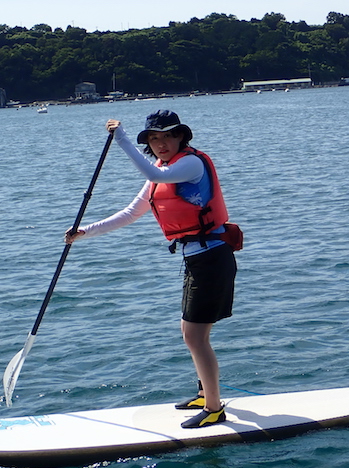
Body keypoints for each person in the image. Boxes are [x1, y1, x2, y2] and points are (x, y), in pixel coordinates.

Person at [65, 110, 238, 428]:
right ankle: (205, 392)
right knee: (190, 333)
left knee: (195, 337)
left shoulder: (190, 163)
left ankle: (214, 408)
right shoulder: (161, 171)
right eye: (154, 138)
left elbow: (156, 178)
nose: (161, 144)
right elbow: (131, 213)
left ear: (181, 137)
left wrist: (121, 139)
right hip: (195, 260)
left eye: (168, 136)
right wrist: (85, 232)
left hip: (213, 258)